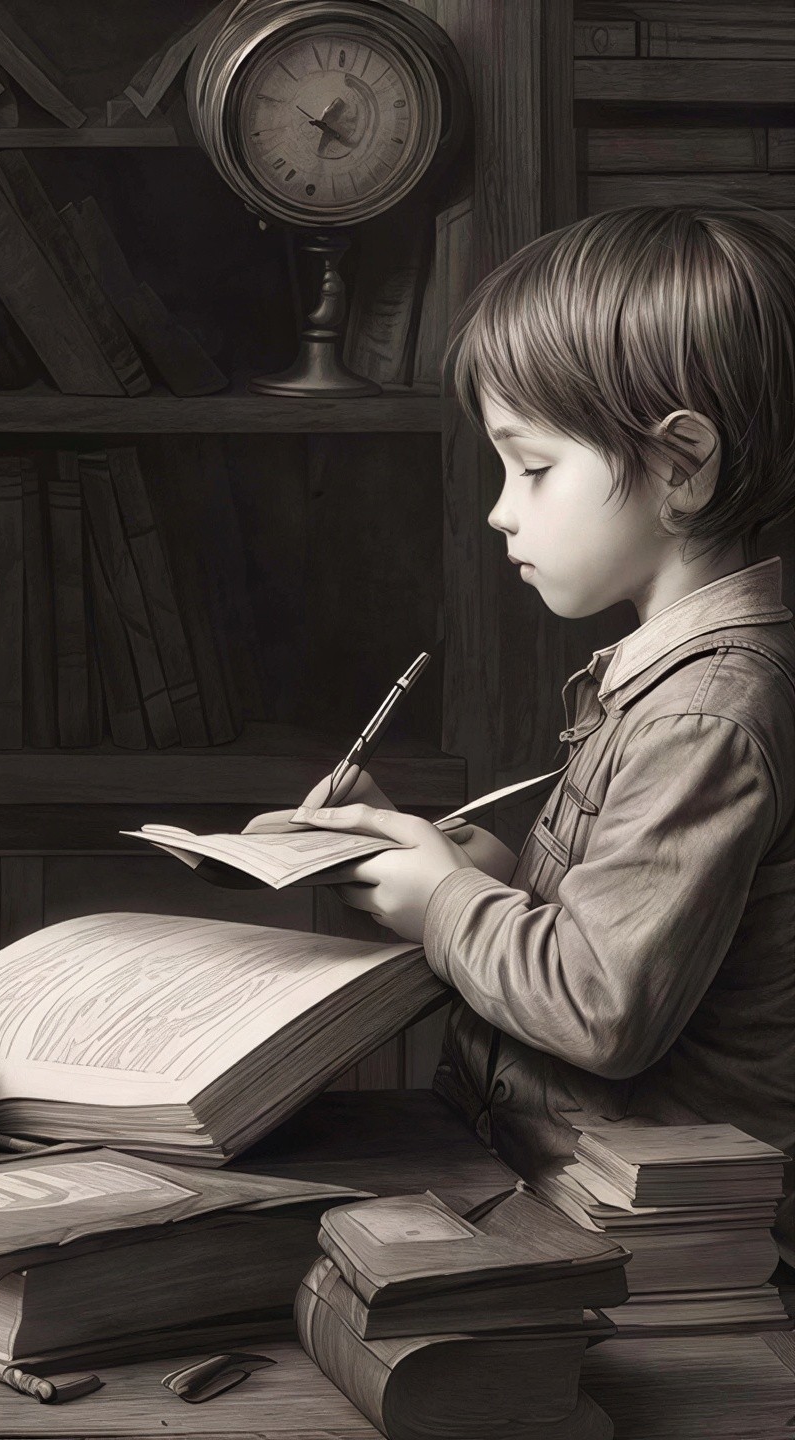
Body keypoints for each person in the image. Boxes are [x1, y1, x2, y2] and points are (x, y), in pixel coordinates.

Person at [269, 207, 795, 1175]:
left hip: (646, 1224)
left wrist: (443, 902)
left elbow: (600, 1004)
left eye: (534, 468)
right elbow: (626, 923)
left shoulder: (700, 716)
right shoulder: (669, 684)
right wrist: (484, 873)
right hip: (544, 1174)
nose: (499, 511)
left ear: (680, 466)